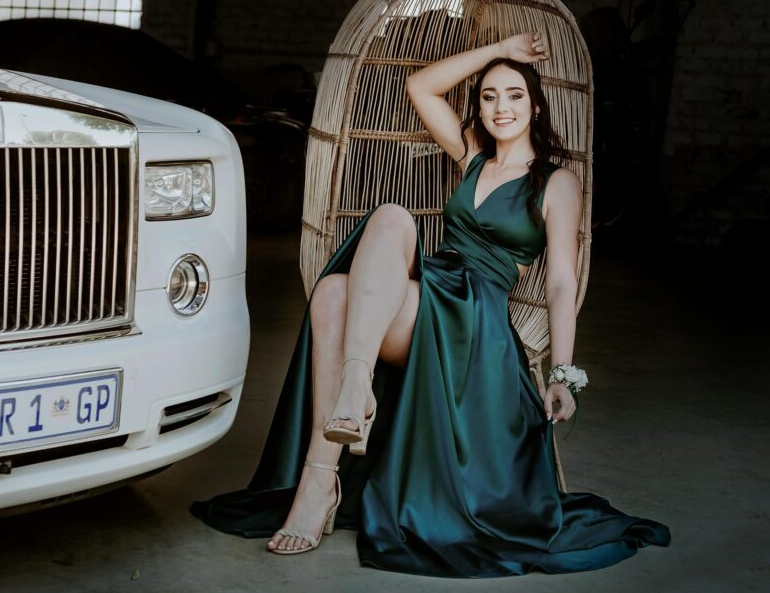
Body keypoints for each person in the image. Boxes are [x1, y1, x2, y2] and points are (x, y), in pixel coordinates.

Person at [192, 33, 670, 577]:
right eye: (489, 96)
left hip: (475, 316)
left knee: (351, 271)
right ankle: (329, 454)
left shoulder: (556, 182)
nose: (501, 107)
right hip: (434, 284)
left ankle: (330, 456)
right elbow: (421, 86)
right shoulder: (472, 155)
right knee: (346, 274)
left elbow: (561, 282)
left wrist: (562, 372)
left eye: (515, 95)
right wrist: (501, 48)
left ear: (536, 107)